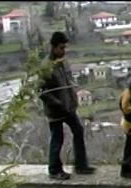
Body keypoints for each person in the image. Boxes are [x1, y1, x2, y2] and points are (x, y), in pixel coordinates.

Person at [39, 32, 96, 180]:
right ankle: (54, 169)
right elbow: (42, 92)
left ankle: (81, 165)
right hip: (55, 110)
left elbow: (69, 83)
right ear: (53, 47)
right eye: (61, 48)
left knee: (78, 130)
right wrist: (57, 104)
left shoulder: (63, 62)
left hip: (68, 107)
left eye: (65, 48)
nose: (63, 51)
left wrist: (73, 99)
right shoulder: (46, 67)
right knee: (57, 138)